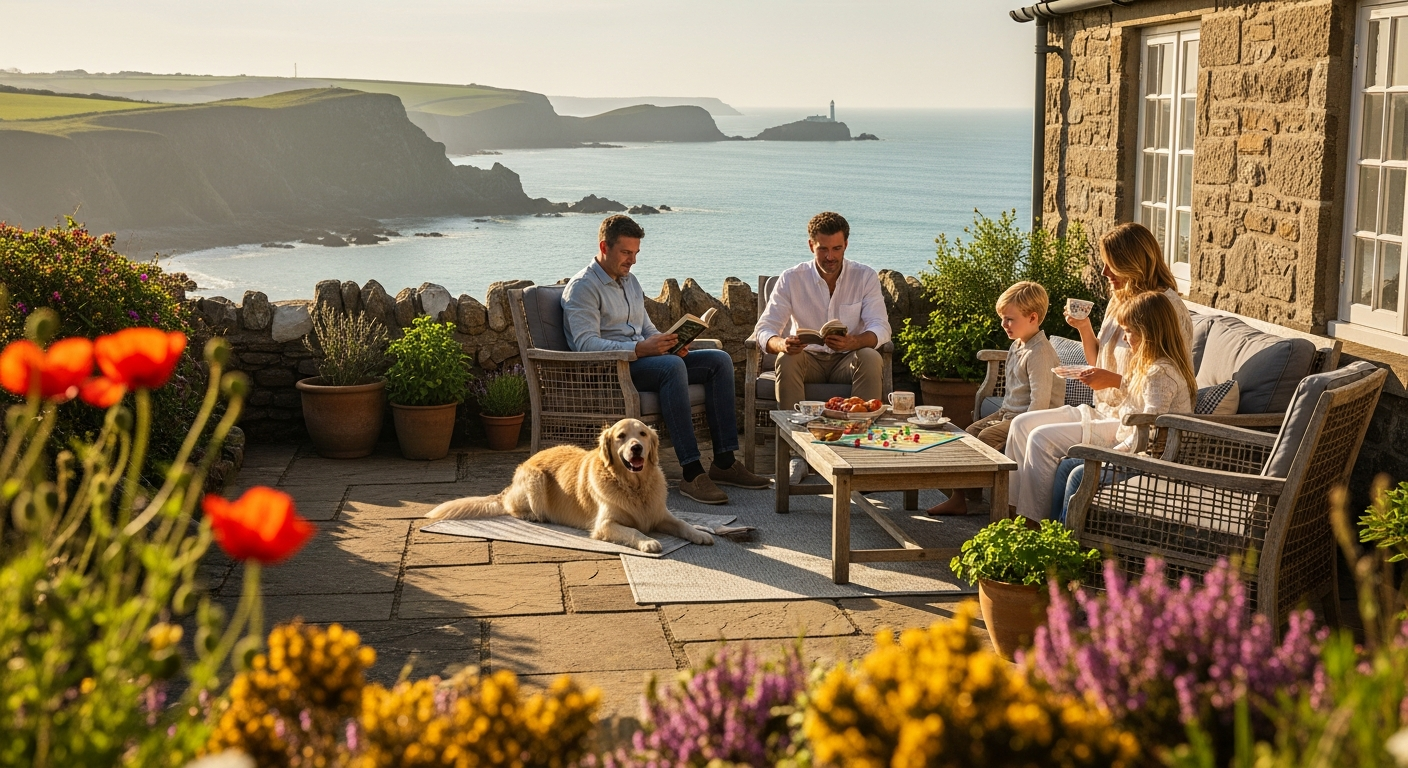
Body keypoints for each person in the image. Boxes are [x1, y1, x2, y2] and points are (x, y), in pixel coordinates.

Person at [562, 215, 770, 505]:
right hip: (610, 369)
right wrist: (642, 349)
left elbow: (646, 328)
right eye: (626, 252)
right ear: (604, 247)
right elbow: (586, 344)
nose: (632, 260)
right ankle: (691, 472)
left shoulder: (629, 281)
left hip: (646, 361)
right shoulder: (583, 287)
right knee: (671, 367)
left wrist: (672, 342)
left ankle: (723, 462)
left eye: (635, 253)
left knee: (719, 361)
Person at [1007, 290, 1196, 523]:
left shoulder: (1160, 372)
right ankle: (1051, 531)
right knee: (1067, 466)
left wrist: (1110, 455)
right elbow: (1139, 393)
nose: (1125, 339)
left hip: (1148, 458)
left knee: (1076, 474)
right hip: (1134, 447)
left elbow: (1149, 433)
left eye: (1129, 332)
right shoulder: (1153, 366)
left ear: (1149, 333)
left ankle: (1064, 537)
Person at [754, 211, 892, 484]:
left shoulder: (864, 276)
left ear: (846, 246)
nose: (830, 256)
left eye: (837, 249)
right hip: (808, 360)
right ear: (811, 246)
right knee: (787, 359)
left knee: (869, 355)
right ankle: (799, 453)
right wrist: (783, 343)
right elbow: (764, 330)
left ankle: (858, 451)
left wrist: (855, 341)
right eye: (823, 249)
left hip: (847, 361)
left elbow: (881, 328)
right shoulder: (792, 278)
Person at [927, 281, 1063, 515]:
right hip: (1009, 413)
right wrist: (1001, 417)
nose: (1003, 324)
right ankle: (961, 497)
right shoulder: (1018, 345)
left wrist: (1009, 425)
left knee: (987, 437)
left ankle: (993, 499)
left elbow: (1039, 405)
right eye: (1003, 318)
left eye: (1010, 319)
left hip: (1031, 420)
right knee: (968, 433)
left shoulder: (1039, 353)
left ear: (1032, 318)